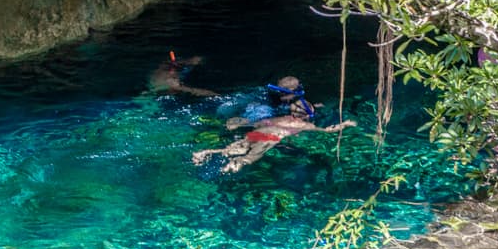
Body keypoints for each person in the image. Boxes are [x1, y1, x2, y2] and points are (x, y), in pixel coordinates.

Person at [191, 76, 356, 173]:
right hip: (271, 137)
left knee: (239, 146)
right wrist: (346, 124)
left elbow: (255, 124)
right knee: (251, 156)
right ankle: (234, 165)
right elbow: (328, 130)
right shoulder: (306, 125)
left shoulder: (279, 118)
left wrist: (238, 124)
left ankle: (207, 152)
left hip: (258, 131)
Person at [149, 51, 218, 97]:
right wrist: (214, 94)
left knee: (196, 60)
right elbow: (194, 91)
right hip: (170, 71)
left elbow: (192, 90)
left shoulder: (168, 85)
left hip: (171, 70)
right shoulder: (169, 85)